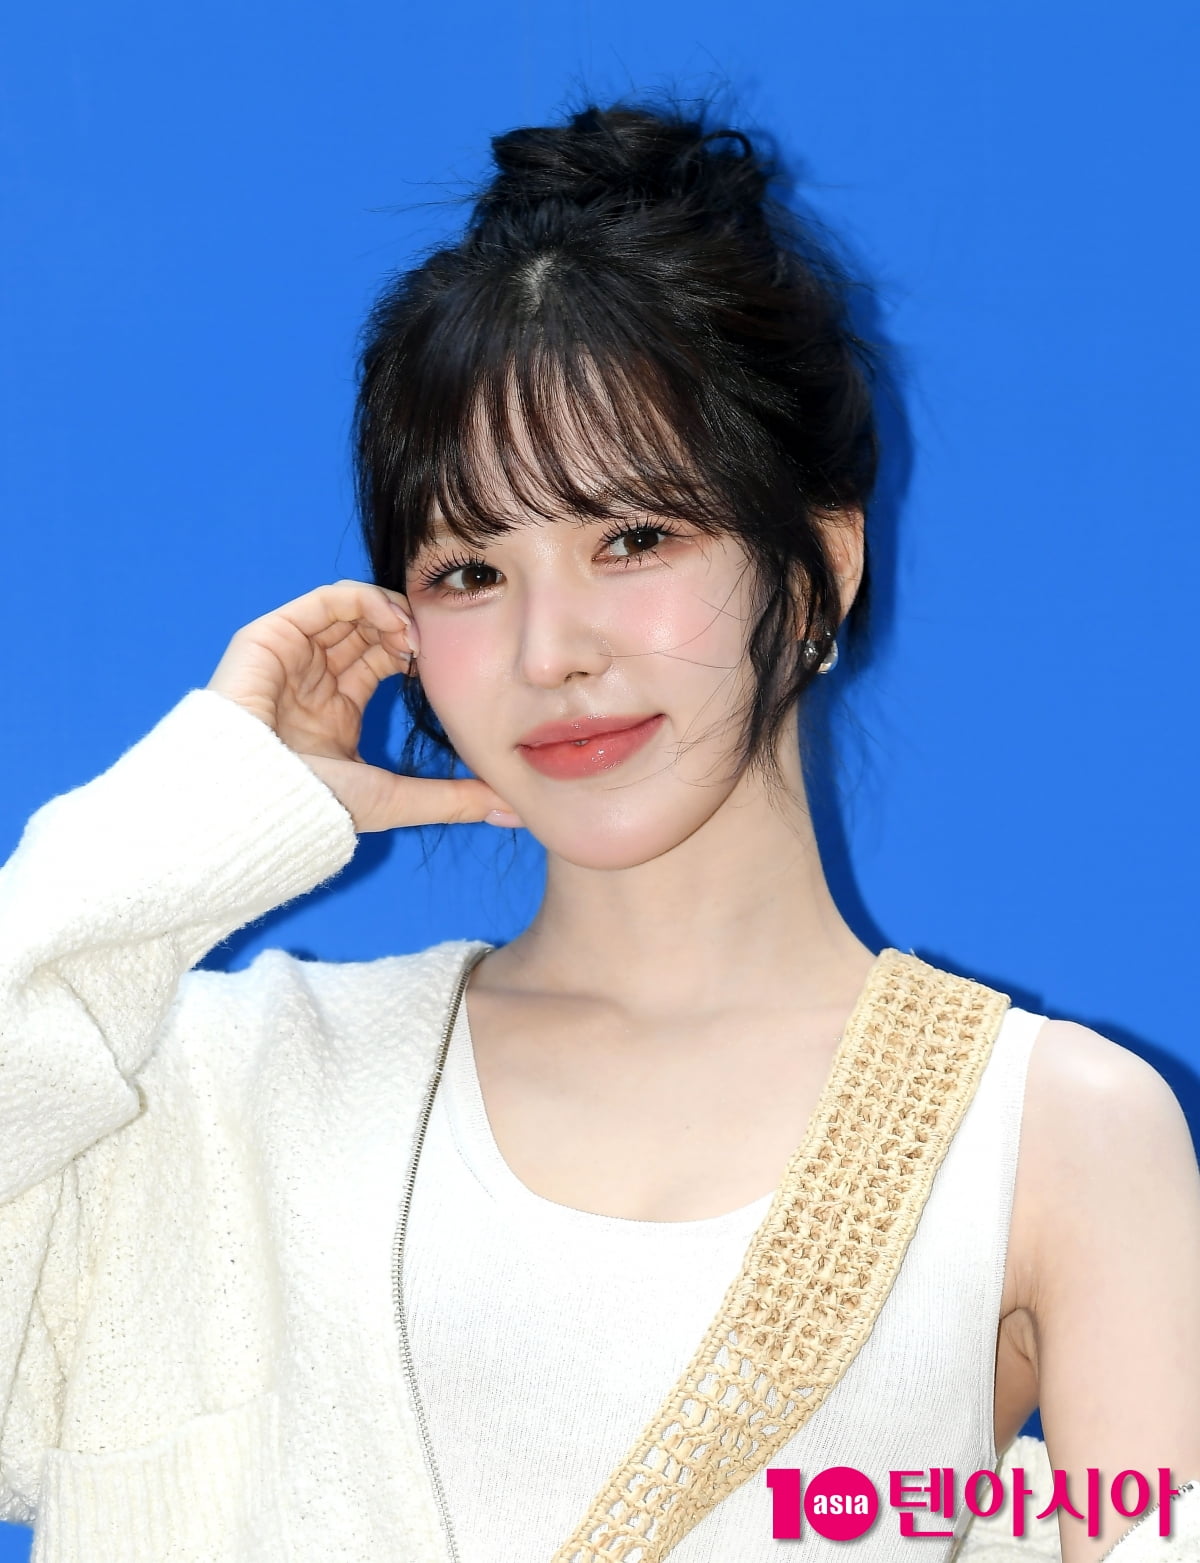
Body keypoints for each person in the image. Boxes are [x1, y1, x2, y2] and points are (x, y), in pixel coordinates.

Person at [1, 99, 1198, 1563]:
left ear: (817, 565)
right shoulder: (226, 1089)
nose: (551, 649)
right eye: (468, 571)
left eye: (634, 539)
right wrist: (195, 821)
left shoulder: (1055, 1133)